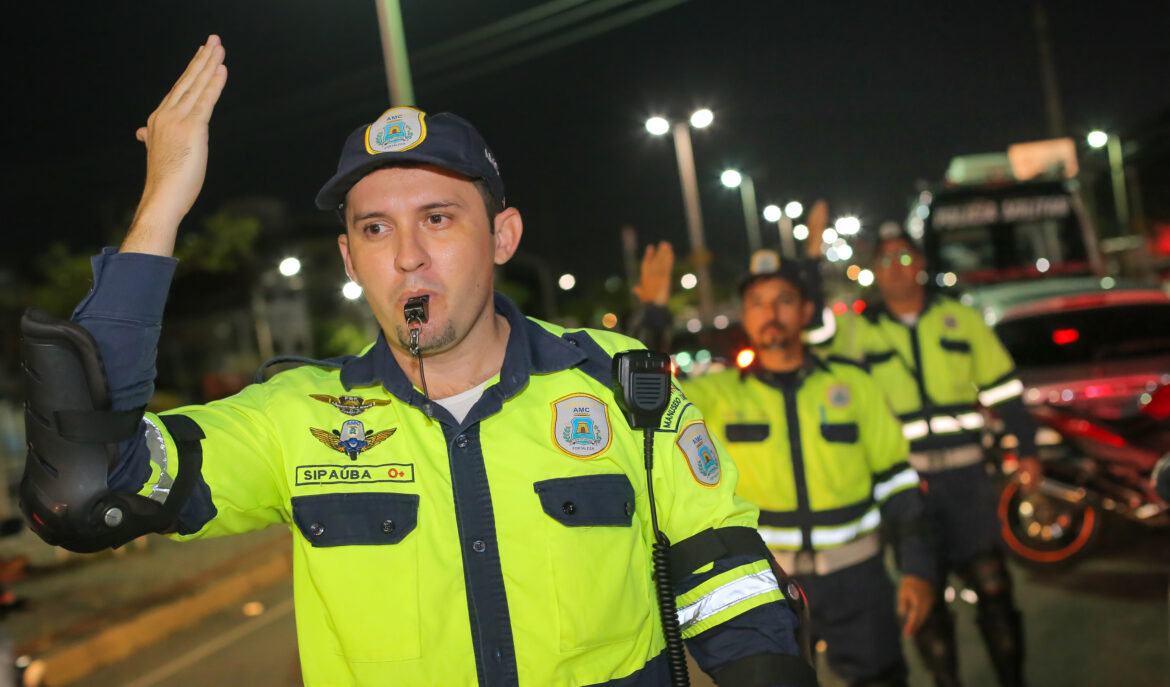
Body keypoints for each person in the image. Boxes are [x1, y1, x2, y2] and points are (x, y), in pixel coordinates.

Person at [19, 36, 822, 687]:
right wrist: (162, 204)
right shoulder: (293, 418)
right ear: (348, 256)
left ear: (502, 236)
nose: (407, 256)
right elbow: (89, 490)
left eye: (438, 218)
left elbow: (733, 590)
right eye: (375, 229)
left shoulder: (622, 387)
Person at [636, 249, 936, 687]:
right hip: (766, 583)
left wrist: (917, 568)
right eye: (756, 303)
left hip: (858, 577)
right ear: (744, 315)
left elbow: (898, 482)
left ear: (806, 311)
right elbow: (645, 395)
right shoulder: (715, 395)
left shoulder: (853, 384)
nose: (769, 313)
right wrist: (653, 315)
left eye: (783, 300)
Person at [822, 222, 1040, 687]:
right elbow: (815, 343)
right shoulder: (858, 331)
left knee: (995, 590)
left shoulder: (961, 319)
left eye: (905, 258)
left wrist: (1028, 450)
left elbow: (1005, 389)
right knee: (926, 603)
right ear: (873, 272)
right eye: (885, 261)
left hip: (968, 486)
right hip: (904, 493)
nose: (897, 269)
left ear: (920, 264)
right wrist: (813, 264)